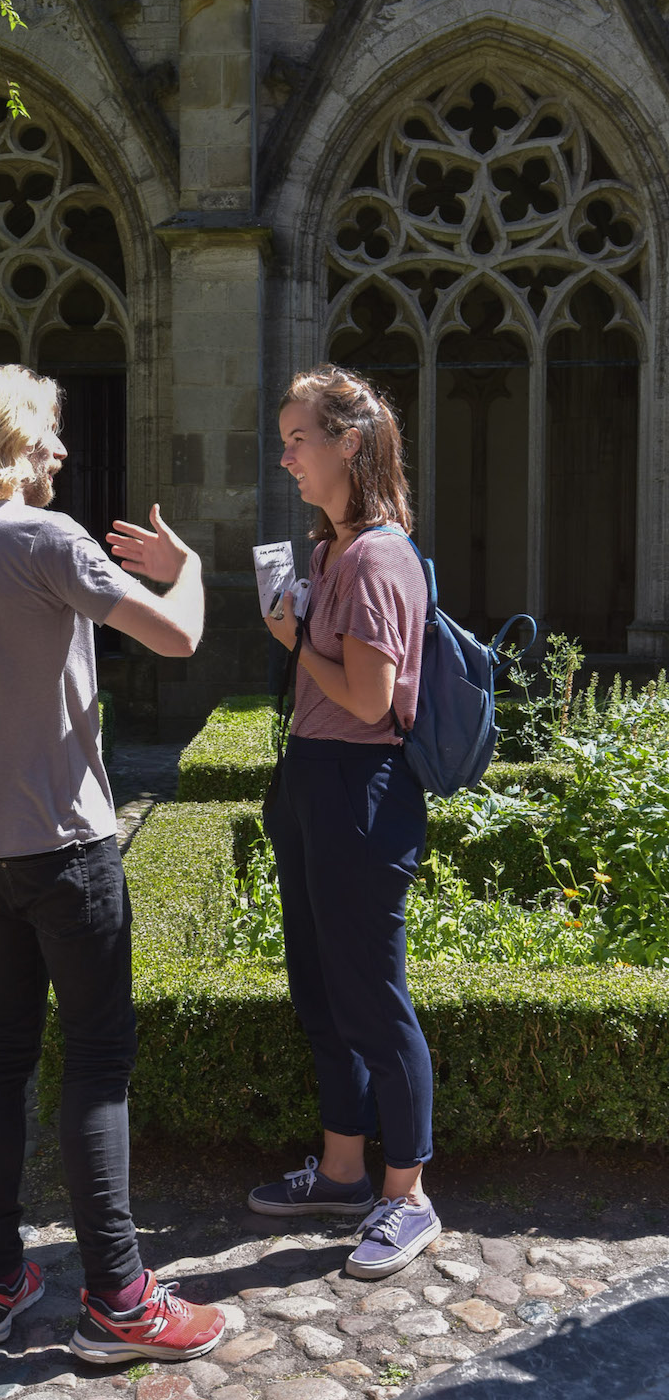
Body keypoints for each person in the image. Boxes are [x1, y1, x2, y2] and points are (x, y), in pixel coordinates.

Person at [0, 364, 223, 1363]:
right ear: (9, 434)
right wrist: (191, 564)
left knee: (3, 1055)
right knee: (95, 1060)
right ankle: (122, 1301)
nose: (62, 449)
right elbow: (177, 636)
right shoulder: (45, 538)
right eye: (47, 430)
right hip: (65, 845)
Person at [248, 364, 440, 1281]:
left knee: (373, 999)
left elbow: (369, 699)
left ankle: (408, 1198)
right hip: (316, 780)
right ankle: (342, 1170)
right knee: (322, 991)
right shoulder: (332, 553)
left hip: (363, 785)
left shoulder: (375, 556)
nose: (284, 458)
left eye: (297, 440)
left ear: (348, 445)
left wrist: (296, 645)